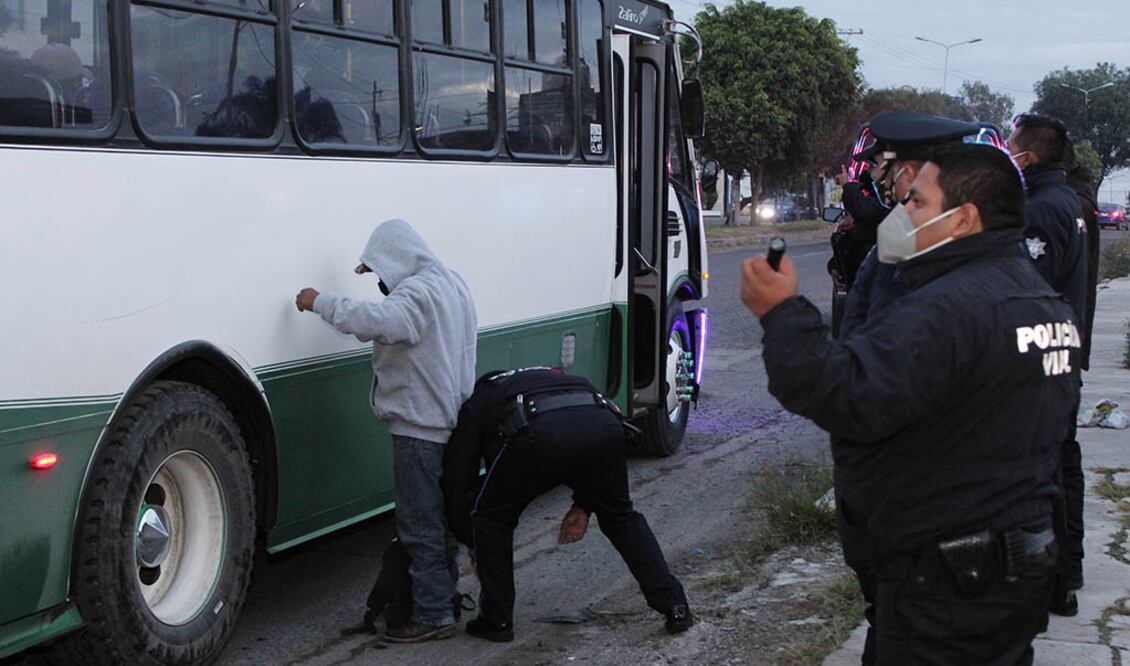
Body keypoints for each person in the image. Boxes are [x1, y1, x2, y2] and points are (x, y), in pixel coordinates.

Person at [741, 143, 1079, 664]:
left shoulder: (951, 307)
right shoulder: (1036, 298)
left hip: (948, 584)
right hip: (1009, 567)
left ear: (964, 219)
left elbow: (848, 395)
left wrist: (782, 313)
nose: (902, 214)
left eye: (918, 203)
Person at [828, 111, 990, 665]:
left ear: (915, 171)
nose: (881, 176)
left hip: (907, 499)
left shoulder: (928, 252)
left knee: (904, 627)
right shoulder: (909, 238)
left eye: (887, 167)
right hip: (897, 494)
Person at [295, 218, 477, 643]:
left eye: (378, 272)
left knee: (419, 524)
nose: (381, 282)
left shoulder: (416, 293)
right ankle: (442, 599)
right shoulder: (453, 284)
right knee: (441, 521)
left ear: (395, 260)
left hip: (419, 428)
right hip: (452, 422)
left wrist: (319, 301)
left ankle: (432, 615)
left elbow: (374, 320)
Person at [441, 367, 692, 643]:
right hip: (605, 426)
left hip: (539, 437)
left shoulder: (478, 400)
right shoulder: (555, 378)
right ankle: (675, 606)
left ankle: (496, 619)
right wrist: (584, 505)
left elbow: (457, 479)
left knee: (492, 519)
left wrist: (473, 540)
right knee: (621, 517)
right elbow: (579, 431)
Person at [1007, 114, 1089, 615]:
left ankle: (1054, 579)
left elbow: (1026, 289)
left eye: (1012, 145)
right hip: (1064, 352)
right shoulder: (1071, 203)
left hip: (1041, 361)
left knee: (1044, 474)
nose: (1007, 152)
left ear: (1028, 157)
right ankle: (1067, 571)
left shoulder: (1039, 210)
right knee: (1063, 464)